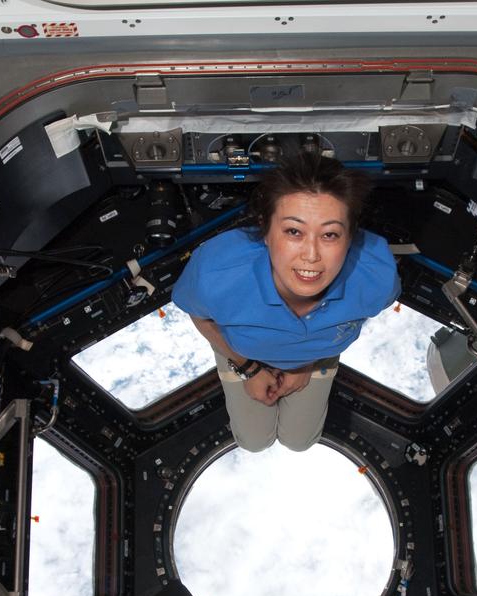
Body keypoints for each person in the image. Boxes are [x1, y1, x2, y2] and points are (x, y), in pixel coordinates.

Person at [172, 153, 401, 452]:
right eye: (294, 231)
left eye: (330, 234)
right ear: (265, 230)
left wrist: (306, 363)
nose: (311, 255)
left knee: (299, 441)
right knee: (253, 442)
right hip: (242, 352)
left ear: (351, 238)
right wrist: (249, 368)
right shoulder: (215, 273)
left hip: (316, 358)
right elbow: (200, 315)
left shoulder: (376, 276)